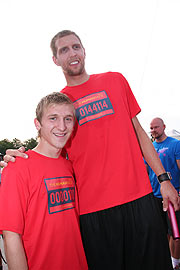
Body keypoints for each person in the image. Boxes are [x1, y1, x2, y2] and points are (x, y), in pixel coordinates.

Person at [1, 30, 180, 269]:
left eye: (76, 47)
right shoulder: (60, 105)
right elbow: (50, 150)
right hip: (93, 213)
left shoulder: (115, 80)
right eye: (63, 50)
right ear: (55, 60)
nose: (72, 53)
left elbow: (140, 134)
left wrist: (164, 179)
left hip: (140, 198)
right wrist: (20, 157)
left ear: (84, 51)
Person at [0, 92, 88, 270]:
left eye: (68, 119)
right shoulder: (18, 167)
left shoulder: (68, 166)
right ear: (37, 124)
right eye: (53, 118)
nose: (62, 126)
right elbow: (11, 236)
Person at [146, 117, 180, 269]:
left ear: (164, 127)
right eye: (151, 128)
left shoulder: (175, 144)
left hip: (172, 197)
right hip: (154, 198)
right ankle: (168, 260)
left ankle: (176, 264)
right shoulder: (150, 148)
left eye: (156, 127)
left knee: (176, 234)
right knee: (161, 234)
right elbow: (147, 173)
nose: (153, 130)